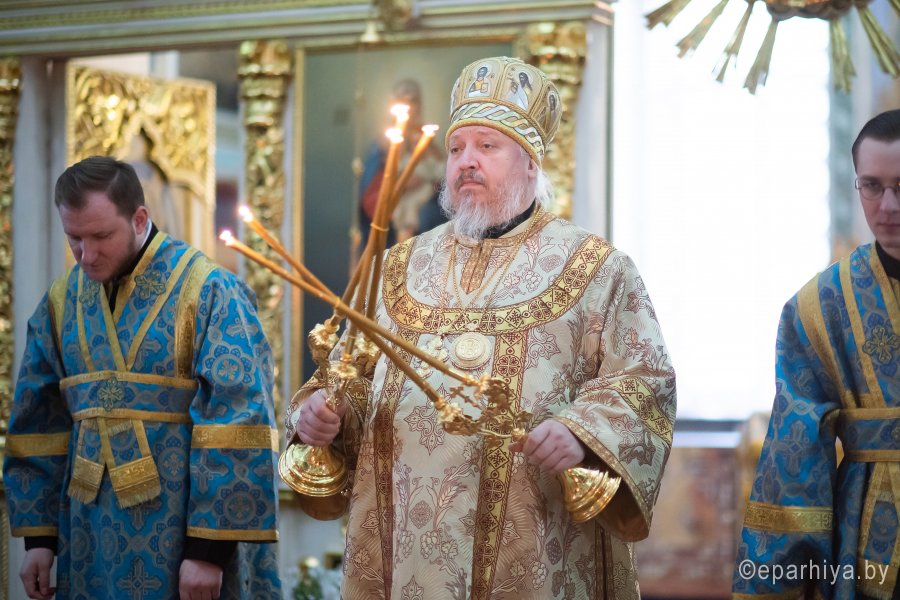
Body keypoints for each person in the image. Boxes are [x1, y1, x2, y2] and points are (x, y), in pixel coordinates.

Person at [287, 56, 676, 599]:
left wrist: (581, 432)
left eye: (487, 146)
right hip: (403, 558)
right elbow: (344, 379)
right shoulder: (392, 268)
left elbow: (645, 382)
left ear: (531, 163)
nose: (466, 162)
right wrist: (323, 416)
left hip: (533, 549)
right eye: (455, 149)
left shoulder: (597, 269)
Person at [3, 156, 281, 599]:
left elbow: (239, 420)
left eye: (101, 236)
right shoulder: (61, 301)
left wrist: (208, 551)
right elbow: (39, 421)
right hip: (87, 539)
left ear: (139, 219)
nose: (86, 255)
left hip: (184, 542)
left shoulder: (207, 290)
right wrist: (40, 540)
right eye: (74, 238)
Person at [732, 109, 900, 598]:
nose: (888, 205)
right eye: (872, 186)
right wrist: (784, 573)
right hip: (865, 537)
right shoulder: (820, 306)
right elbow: (795, 451)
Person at [358, 79, 445, 250]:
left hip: (422, 202)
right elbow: (371, 186)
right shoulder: (384, 142)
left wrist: (428, 181)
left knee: (429, 214)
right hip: (391, 203)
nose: (410, 107)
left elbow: (440, 174)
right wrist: (401, 182)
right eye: (404, 101)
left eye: (413, 101)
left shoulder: (426, 137)